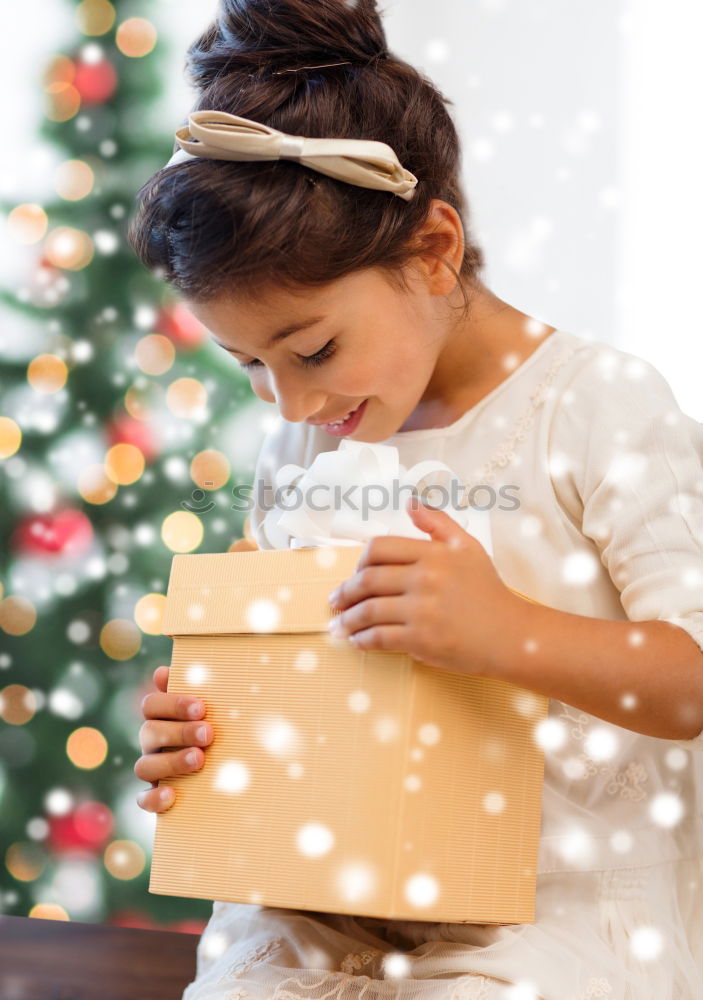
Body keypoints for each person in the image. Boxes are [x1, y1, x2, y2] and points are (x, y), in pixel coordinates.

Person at [129, 1, 703, 997]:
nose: (293, 400)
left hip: (546, 912)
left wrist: (504, 630)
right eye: (247, 365)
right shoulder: (302, 441)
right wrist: (201, 724)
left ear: (434, 249)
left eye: (312, 350)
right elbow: (279, 668)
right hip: (323, 901)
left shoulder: (597, 404)